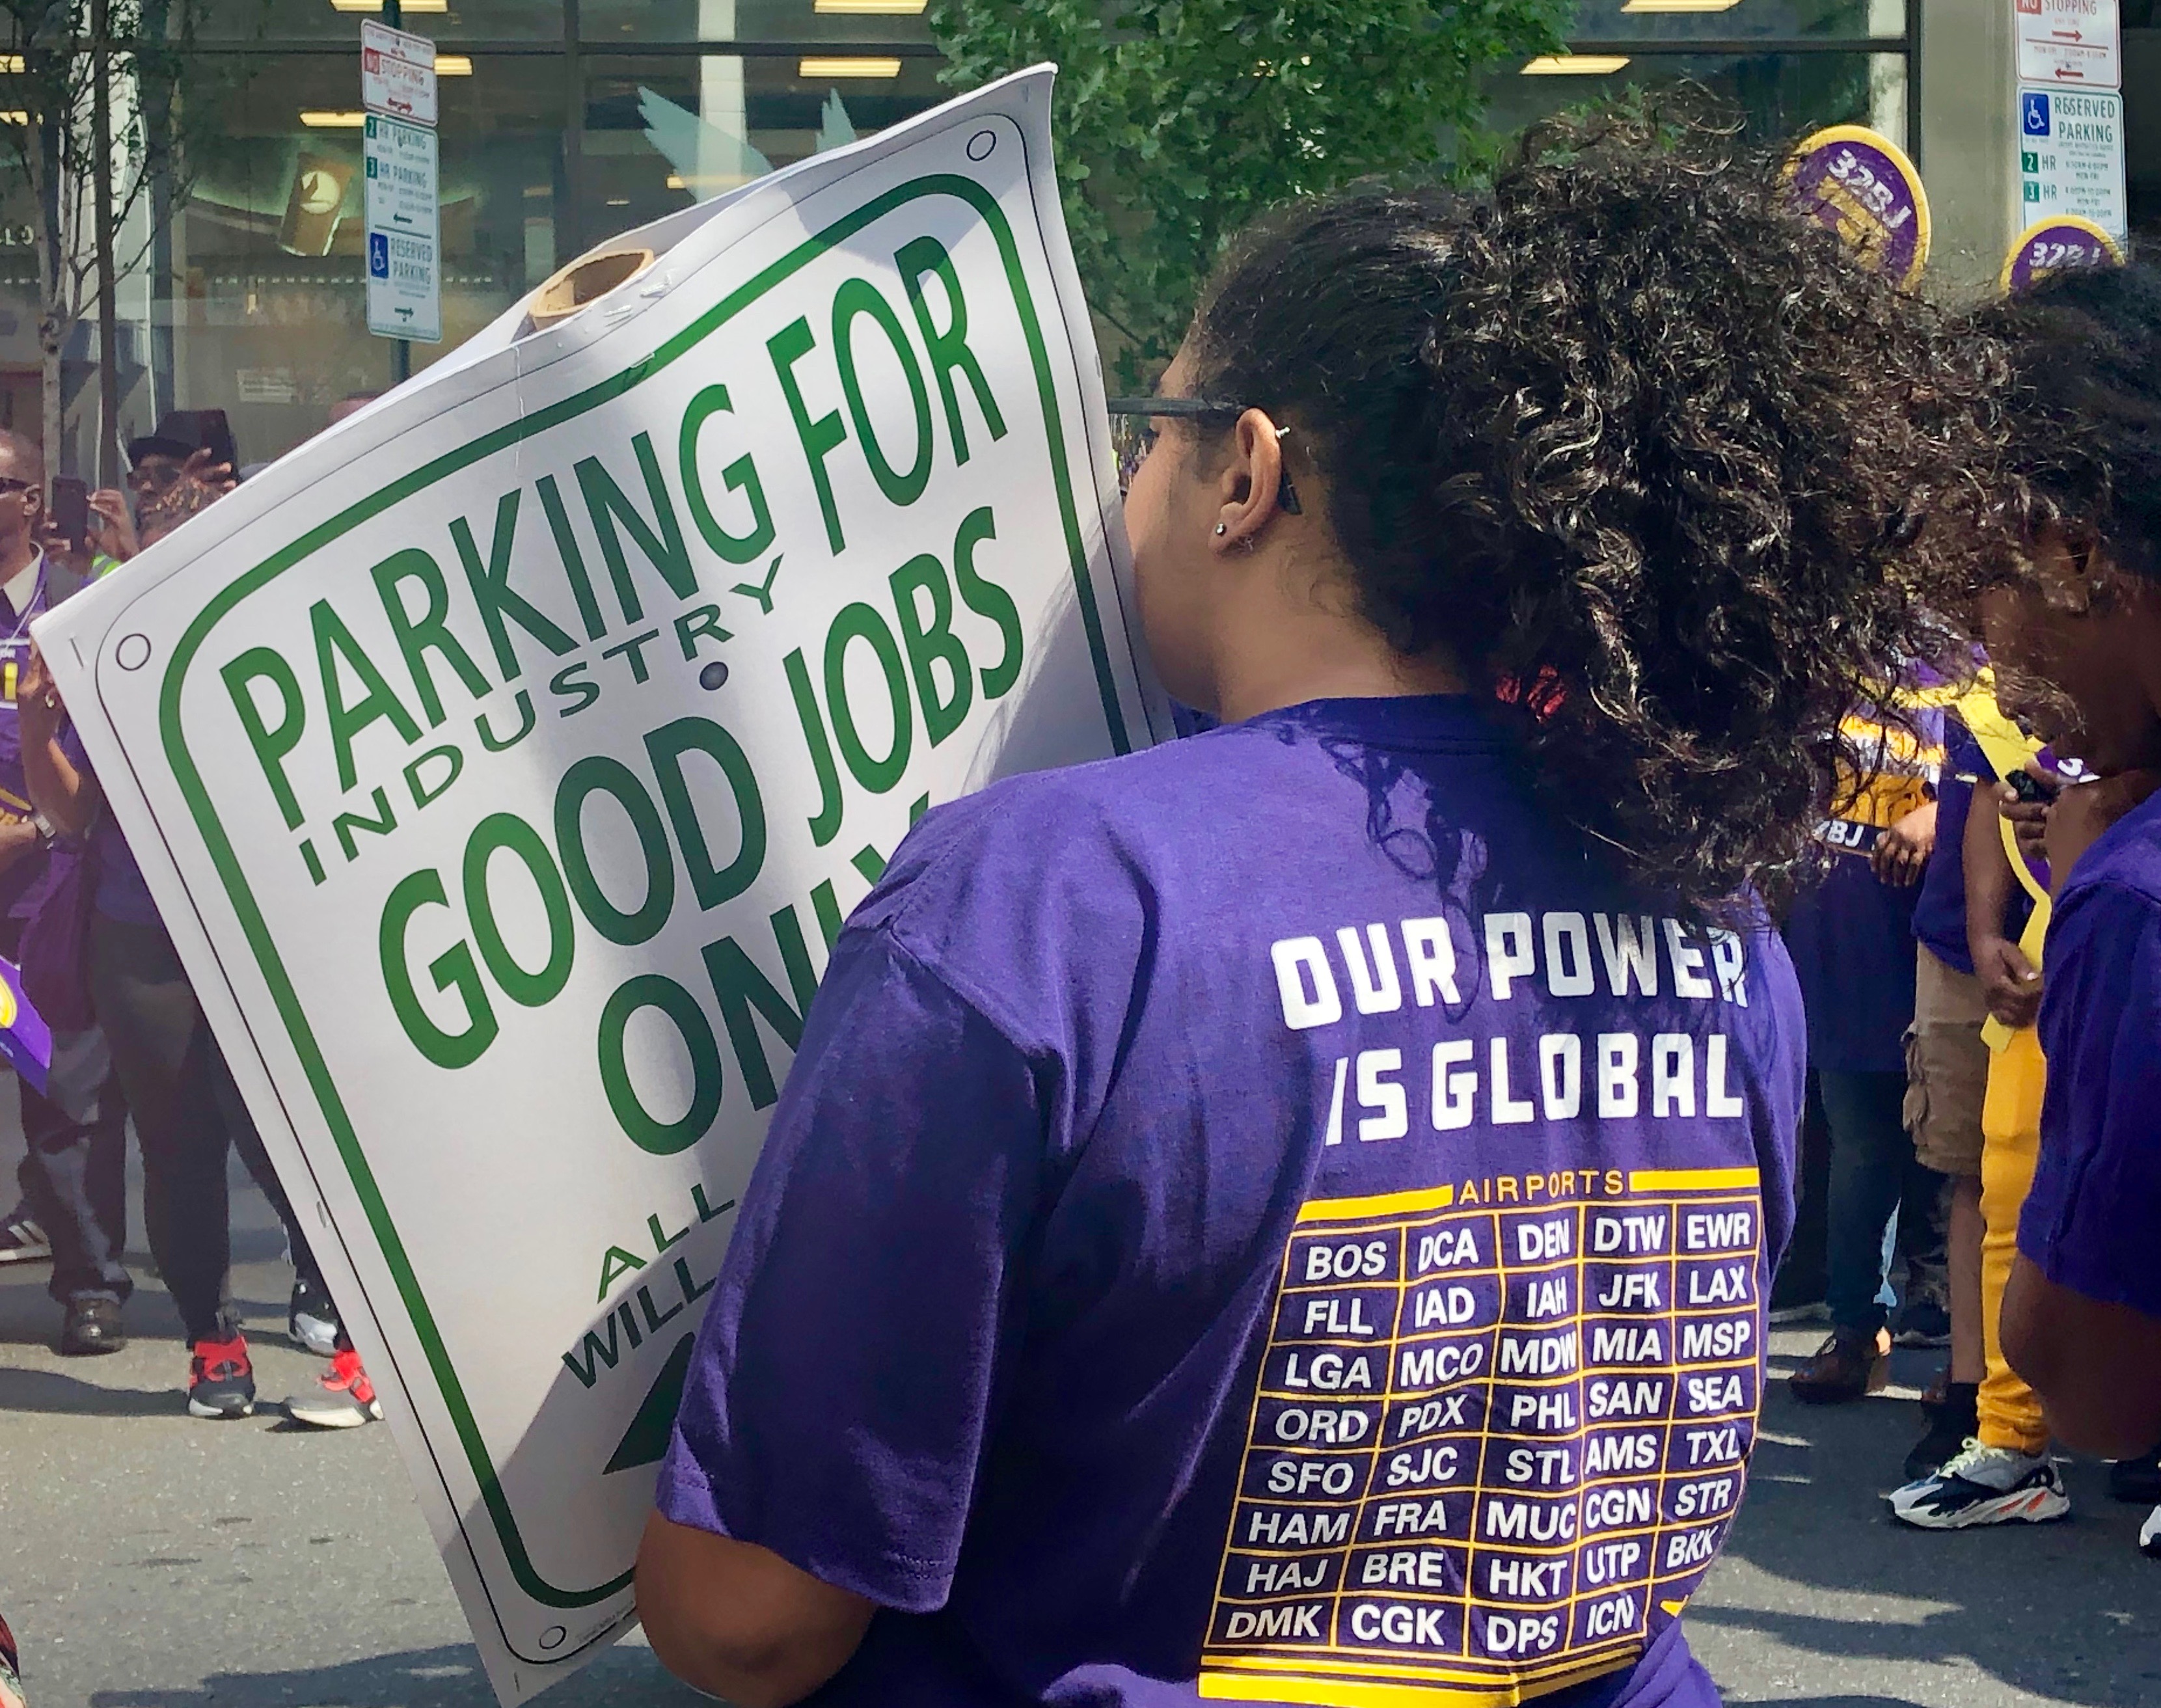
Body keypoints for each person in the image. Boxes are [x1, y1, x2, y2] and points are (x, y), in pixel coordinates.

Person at [634, 118, 2004, 1707]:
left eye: (1146, 427)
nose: (1121, 479)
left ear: (1245, 470)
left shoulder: (1045, 899)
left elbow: (746, 1620)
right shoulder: (1709, 911)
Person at [14, 491, 378, 1424]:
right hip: (140, 938)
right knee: (175, 1149)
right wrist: (43, 729)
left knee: (291, 1140)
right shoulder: (110, 666)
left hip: (257, 928)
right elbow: (76, 817)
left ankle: (360, 1343)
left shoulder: (279, 651)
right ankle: (211, 1346)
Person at [1963, 264, 2161, 1484]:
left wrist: (2091, 888)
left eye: (1973, 587)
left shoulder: (2131, 901)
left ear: (2070, 550)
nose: (1986, 650)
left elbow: (2086, 1380)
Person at [0, 430, 134, 1357]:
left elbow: (108, 758)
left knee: (64, 1097)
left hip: (44, 896)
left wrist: (40, 831)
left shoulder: (77, 613)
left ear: (31, 496)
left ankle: (90, 1280)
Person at [1782, 695, 1952, 1405]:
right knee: (1858, 1143)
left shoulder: (1969, 659)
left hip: (1941, 937)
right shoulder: (1821, 653)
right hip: (1840, 934)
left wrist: (1940, 817)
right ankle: (1856, 1331)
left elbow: (2017, 776)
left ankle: (1973, 1361)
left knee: (1961, 1153)